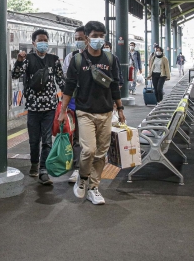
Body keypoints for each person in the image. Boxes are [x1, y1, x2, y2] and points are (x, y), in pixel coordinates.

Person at [59, 21, 126, 205]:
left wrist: (120, 109)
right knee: (89, 150)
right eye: (95, 35)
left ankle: (94, 188)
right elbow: (69, 87)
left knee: (100, 154)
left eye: (101, 36)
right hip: (85, 111)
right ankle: (82, 178)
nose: (98, 39)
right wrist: (63, 111)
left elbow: (114, 86)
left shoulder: (111, 59)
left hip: (105, 112)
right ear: (87, 37)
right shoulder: (77, 60)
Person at [12, 29, 65, 185]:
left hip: (50, 107)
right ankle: (34, 164)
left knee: (47, 141)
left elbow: (61, 81)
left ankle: (43, 170)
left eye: (45, 40)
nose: (44, 43)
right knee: (34, 140)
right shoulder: (28, 59)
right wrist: (19, 61)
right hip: (33, 108)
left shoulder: (54, 59)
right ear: (34, 43)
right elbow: (15, 75)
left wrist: (69, 98)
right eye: (40, 41)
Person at [62, 26, 86, 184]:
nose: (78, 41)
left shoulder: (102, 58)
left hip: (95, 105)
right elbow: (67, 81)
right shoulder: (71, 57)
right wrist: (63, 109)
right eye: (76, 38)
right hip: (75, 103)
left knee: (92, 140)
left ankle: (89, 166)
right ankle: (78, 168)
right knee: (77, 138)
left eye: (81, 38)